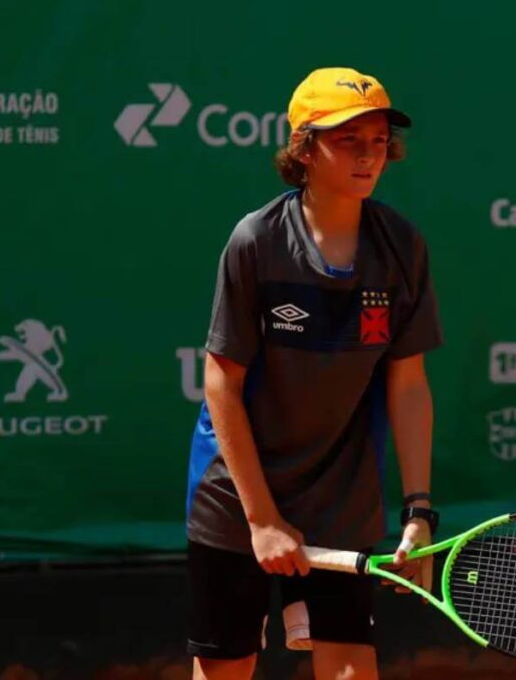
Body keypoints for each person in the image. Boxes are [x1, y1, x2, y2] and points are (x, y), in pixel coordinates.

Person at [184, 67, 443, 680]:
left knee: (351, 670)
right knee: (226, 668)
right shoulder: (257, 241)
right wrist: (262, 520)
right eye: (347, 140)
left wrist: (419, 511)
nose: (367, 155)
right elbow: (221, 381)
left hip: (342, 500)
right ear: (304, 148)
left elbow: (408, 384)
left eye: (377, 140)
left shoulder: (402, 247)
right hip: (237, 495)